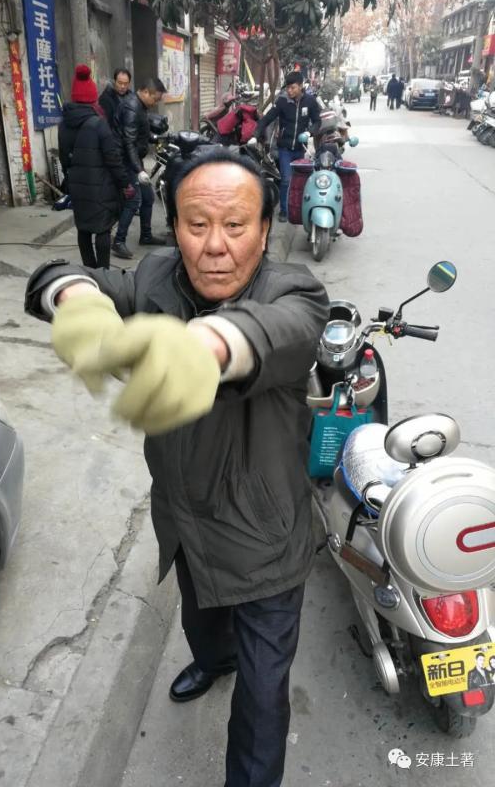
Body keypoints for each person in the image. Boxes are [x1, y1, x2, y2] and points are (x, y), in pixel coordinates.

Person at [25, 147, 330, 787]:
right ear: (174, 227)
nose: (215, 246)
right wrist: (75, 297)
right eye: (197, 224)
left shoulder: (295, 290)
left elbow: (274, 331)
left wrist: (206, 345)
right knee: (201, 623)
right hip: (184, 520)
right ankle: (213, 662)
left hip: (265, 538)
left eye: (235, 225)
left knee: (262, 701)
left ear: (265, 230)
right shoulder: (158, 275)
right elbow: (74, 273)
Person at [58, 64, 135, 270]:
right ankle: (102, 272)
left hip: (77, 186)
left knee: (83, 229)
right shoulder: (98, 123)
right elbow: (113, 159)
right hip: (100, 187)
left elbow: (64, 158)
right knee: (102, 229)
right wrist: (125, 183)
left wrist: (71, 179)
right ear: (92, 98)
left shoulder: (64, 124)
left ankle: (89, 270)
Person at [248, 71, 321, 223]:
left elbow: (317, 121)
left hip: (300, 148)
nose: (289, 91)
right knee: (286, 180)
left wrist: (309, 132)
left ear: (301, 86)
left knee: (298, 181)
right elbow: (267, 119)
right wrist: (255, 135)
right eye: (288, 88)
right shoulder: (282, 102)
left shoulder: (310, 102)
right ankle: (284, 210)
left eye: (293, 87)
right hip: (285, 149)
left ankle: (297, 208)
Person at [111, 76, 168, 259]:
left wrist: (156, 138)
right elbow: (128, 142)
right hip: (126, 161)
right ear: (144, 92)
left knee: (148, 197)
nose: (155, 103)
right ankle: (118, 241)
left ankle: (146, 235)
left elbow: (140, 133)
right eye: (154, 99)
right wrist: (139, 170)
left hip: (134, 160)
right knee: (133, 200)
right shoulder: (132, 108)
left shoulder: (140, 107)